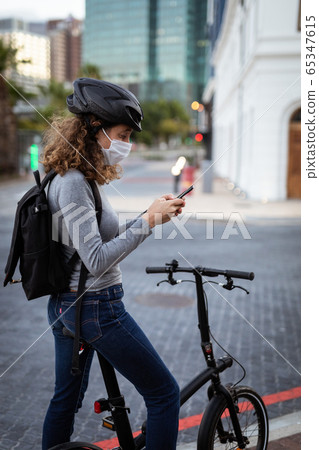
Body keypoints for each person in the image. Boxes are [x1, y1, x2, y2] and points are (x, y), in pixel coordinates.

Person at [41, 78, 185, 450]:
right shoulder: (73, 182)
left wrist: (150, 214)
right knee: (165, 393)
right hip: (95, 307)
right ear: (94, 129)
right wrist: (149, 224)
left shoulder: (75, 176)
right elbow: (97, 258)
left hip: (68, 305)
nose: (128, 144)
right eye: (123, 134)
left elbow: (96, 236)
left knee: (65, 401)